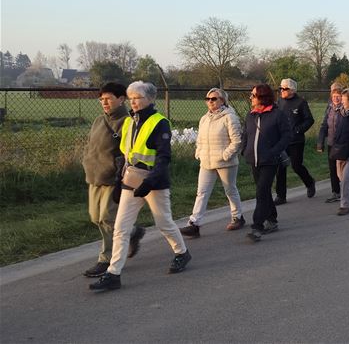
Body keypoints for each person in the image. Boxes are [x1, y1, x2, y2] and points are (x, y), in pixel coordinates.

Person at [90, 81, 190, 291]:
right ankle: (113, 273)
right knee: (121, 228)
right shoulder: (129, 122)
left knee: (164, 223)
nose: (134, 102)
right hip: (130, 179)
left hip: (154, 180)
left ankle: (181, 252)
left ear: (150, 99)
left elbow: (164, 157)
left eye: (138, 97)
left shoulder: (159, 122)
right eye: (131, 97)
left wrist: (150, 182)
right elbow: (126, 156)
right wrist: (119, 181)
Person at [82, 82, 146, 278]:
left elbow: (129, 152)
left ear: (121, 99)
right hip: (94, 176)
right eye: (102, 99)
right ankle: (133, 232)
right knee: (95, 217)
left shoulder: (127, 122)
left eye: (108, 98)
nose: (104, 102)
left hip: (113, 178)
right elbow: (90, 146)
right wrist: (87, 162)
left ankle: (107, 258)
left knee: (108, 218)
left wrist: (118, 171)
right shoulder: (98, 121)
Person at [180, 88, 244, 238]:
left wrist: (225, 155)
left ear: (222, 100)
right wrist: (199, 153)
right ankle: (194, 224)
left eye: (214, 99)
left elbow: (237, 141)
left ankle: (238, 217)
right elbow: (200, 139)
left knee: (230, 190)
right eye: (208, 99)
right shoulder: (204, 118)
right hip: (206, 162)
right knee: (202, 192)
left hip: (225, 162)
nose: (210, 101)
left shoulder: (230, 117)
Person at [243, 84, 290, 242]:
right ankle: (272, 219)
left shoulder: (277, 115)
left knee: (261, 191)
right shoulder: (251, 115)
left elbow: (286, 136)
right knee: (263, 191)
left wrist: (274, 151)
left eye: (253, 95)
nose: (251, 98)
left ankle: (257, 226)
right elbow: (246, 135)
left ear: (261, 97)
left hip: (270, 160)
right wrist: (244, 150)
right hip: (254, 160)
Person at [274, 78, 316, 204]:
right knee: (280, 167)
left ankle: (309, 182)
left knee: (296, 165)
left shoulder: (301, 102)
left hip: (296, 140)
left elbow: (309, 120)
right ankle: (281, 196)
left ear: (292, 90)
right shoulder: (279, 101)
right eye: (280, 88)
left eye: (285, 88)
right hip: (282, 140)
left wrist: (298, 130)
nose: (282, 90)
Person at [317, 83, 349, 203]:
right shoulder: (329, 109)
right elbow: (324, 126)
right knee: (333, 169)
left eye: (338, 96)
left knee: (344, 169)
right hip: (331, 143)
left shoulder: (346, 110)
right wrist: (320, 142)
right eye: (334, 97)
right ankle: (336, 192)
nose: (336, 99)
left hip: (343, 143)